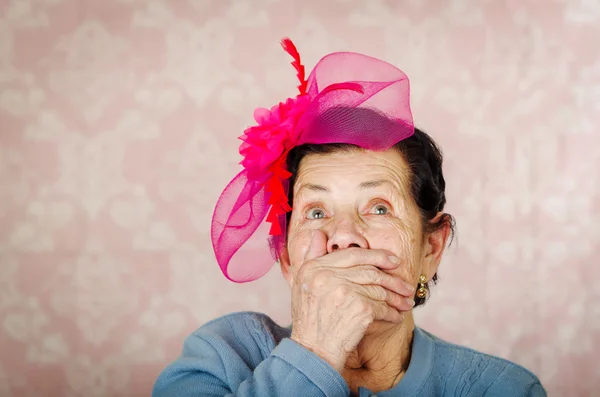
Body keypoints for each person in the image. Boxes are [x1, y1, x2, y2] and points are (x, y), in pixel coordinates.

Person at [153, 39, 546, 397]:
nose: (343, 237)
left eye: (378, 208)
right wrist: (315, 349)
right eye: (317, 212)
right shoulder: (222, 355)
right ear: (287, 258)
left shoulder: (503, 388)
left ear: (432, 246)